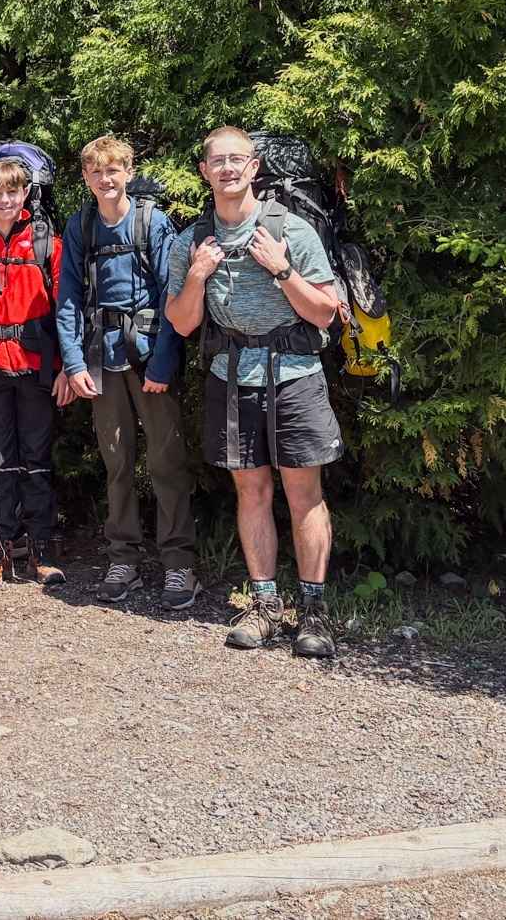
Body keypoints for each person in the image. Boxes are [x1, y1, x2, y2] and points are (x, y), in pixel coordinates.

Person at [165, 125, 341, 658]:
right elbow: (180, 323)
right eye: (217, 161)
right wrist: (196, 276)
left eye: (237, 159)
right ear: (204, 172)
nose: (227, 169)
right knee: (252, 492)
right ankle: (264, 605)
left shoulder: (293, 232)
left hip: (295, 377)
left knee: (304, 496)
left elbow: (326, 310)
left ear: (255, 166)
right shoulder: (192, 240)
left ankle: (313, 612)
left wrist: (282, 268)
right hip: (232, 376)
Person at [53, 136, 196, 610]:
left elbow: (172, 292)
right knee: (116, 461)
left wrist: (162, 363)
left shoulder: (151, 222)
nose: (105, 179)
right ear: (86, 178)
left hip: (150, 355)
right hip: (101, 356)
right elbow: (69, 296)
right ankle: (123, 558)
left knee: (165, 461)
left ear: (129, 172)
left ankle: (178, 564)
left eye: (114, 170)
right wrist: (73, 363)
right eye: (96, 172)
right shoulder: (83, 225)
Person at [0, 158, 66, 588]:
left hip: (38, 366)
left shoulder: (46, 243)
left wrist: (66, 369)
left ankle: (40, 549)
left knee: (36, 462)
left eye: (13, 192)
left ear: (25, 194)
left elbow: (65, 311)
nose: (5, 200)